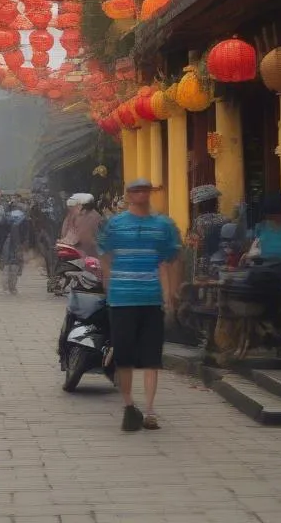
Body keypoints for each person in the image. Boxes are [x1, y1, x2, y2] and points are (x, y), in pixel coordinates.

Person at [98, 178, 181, 433]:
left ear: (151, 193)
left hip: (151, 298)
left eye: (145, 190)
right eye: (136, 191)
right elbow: (105, 256)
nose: (141, 195)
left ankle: (151, 409)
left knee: (151, 358)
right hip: (122, 299)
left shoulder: (164, 225)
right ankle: (128, 405)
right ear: (128, 195)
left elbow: (171, 258)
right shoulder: (114, 225)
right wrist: (110, 284)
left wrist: (171, 293)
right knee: (124, 358)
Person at [189, 184, 226, 277]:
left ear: (201, 205)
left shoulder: (199, 221)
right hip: (223, 258)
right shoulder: (224, 219)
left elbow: (196, 243)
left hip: (205, 261)